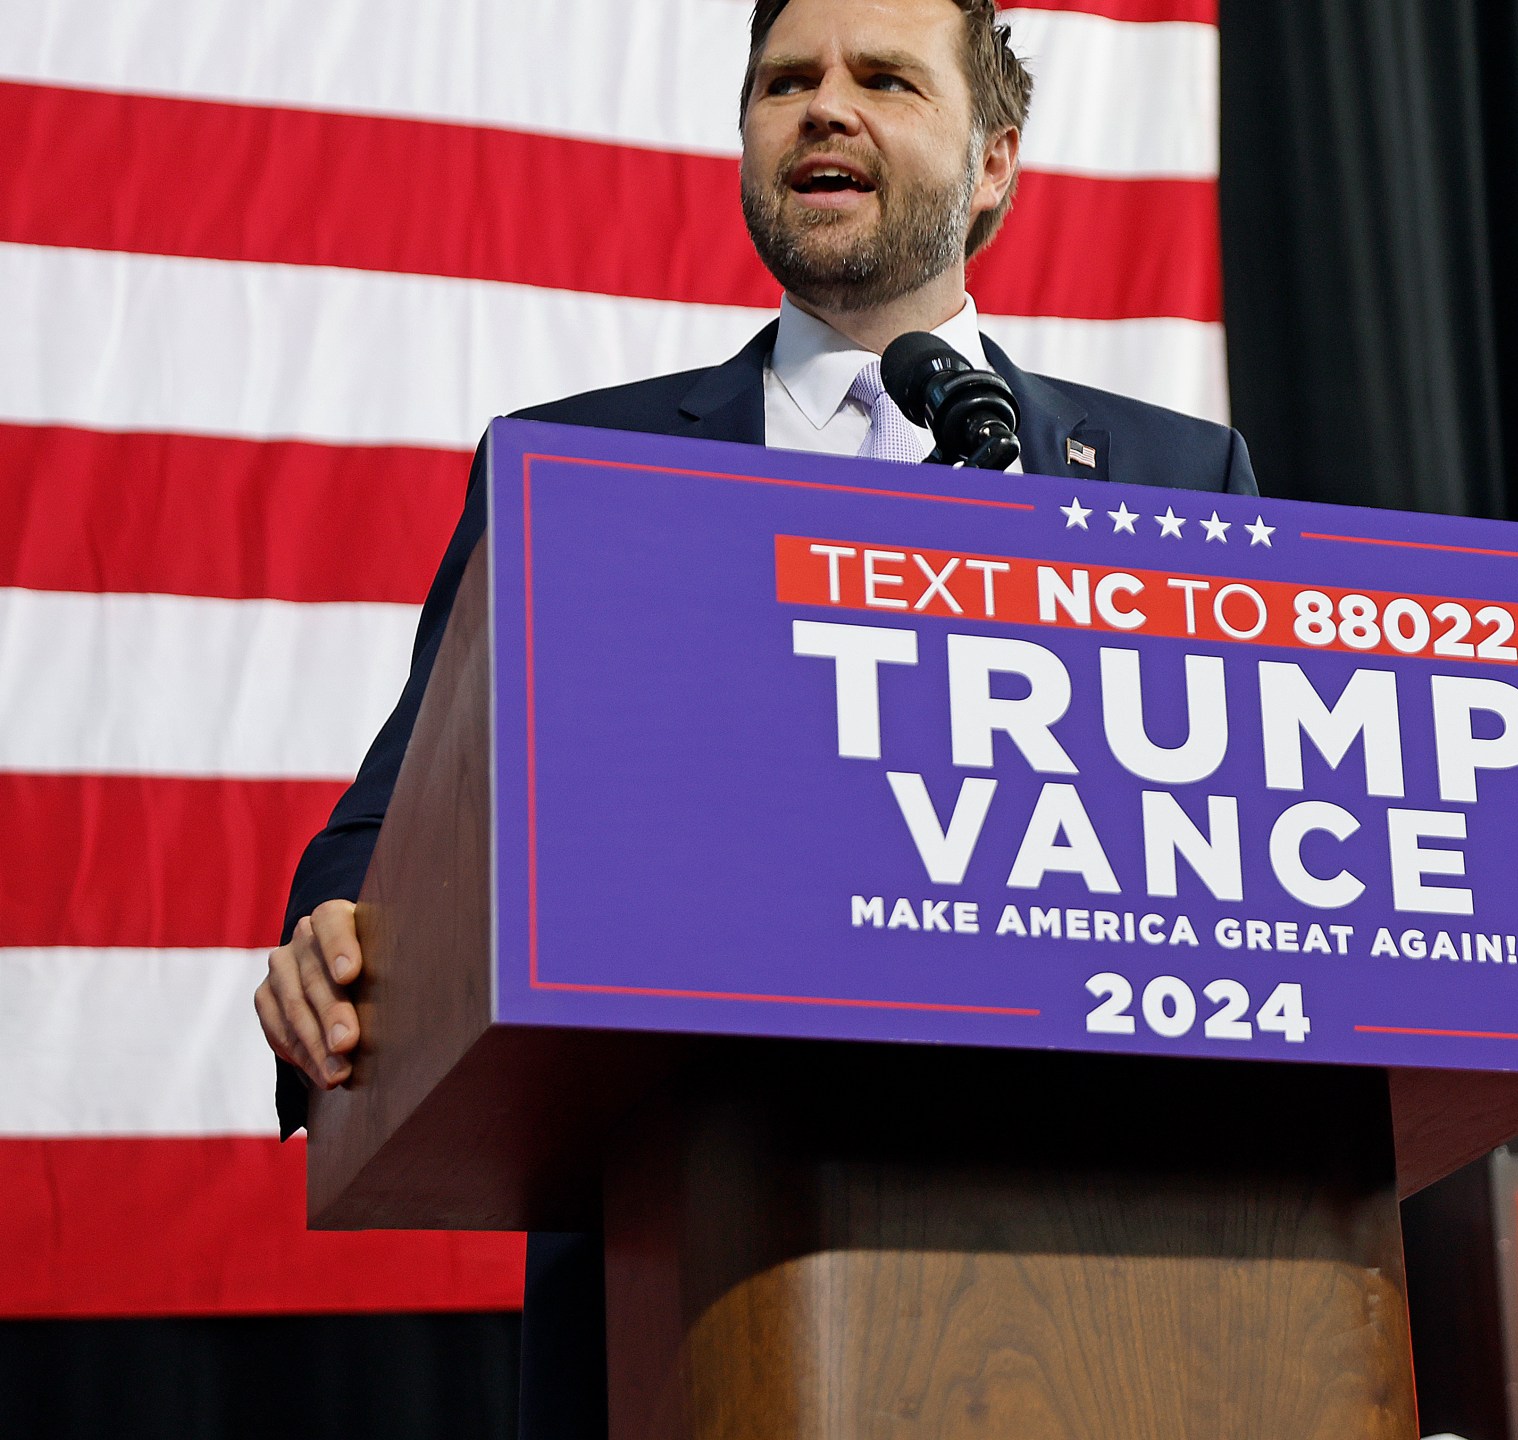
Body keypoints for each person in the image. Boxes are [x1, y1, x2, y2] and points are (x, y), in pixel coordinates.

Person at [251, 0, 1256, 1431]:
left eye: (884, 79)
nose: (822, 107)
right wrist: (340, 929)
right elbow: (399, 816)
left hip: (1089, 1281)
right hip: (676, 1279)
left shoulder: (1169, 479)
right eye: (787, 81)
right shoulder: (573, 472)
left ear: (994, 165)